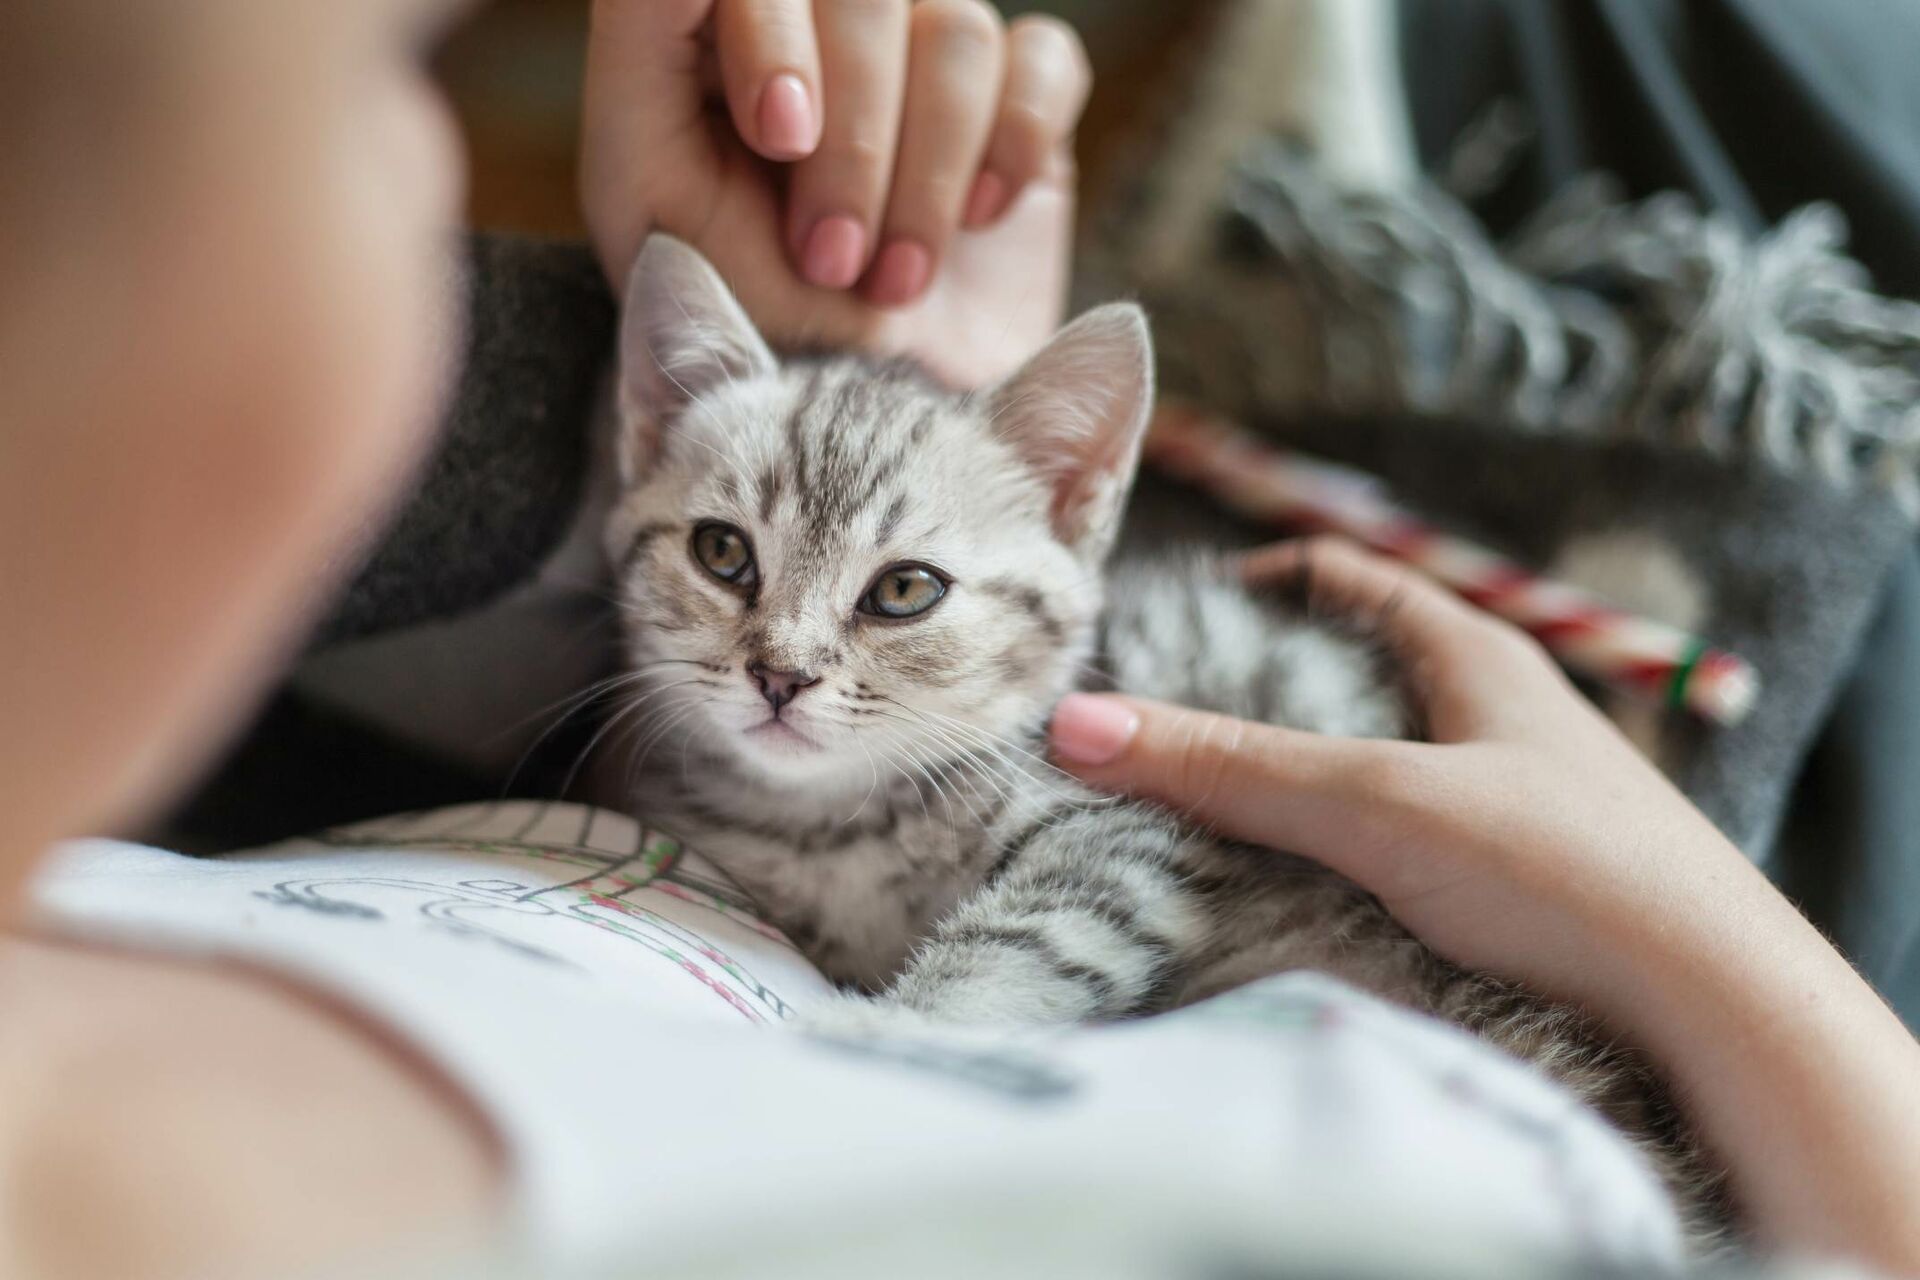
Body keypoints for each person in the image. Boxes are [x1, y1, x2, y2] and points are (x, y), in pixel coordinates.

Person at [1, 4, 1916, 1280]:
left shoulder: (112, 852)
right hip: (1754, 1018)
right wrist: (1700, 920)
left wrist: (877, 408)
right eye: (385, 83)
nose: (784, 664)